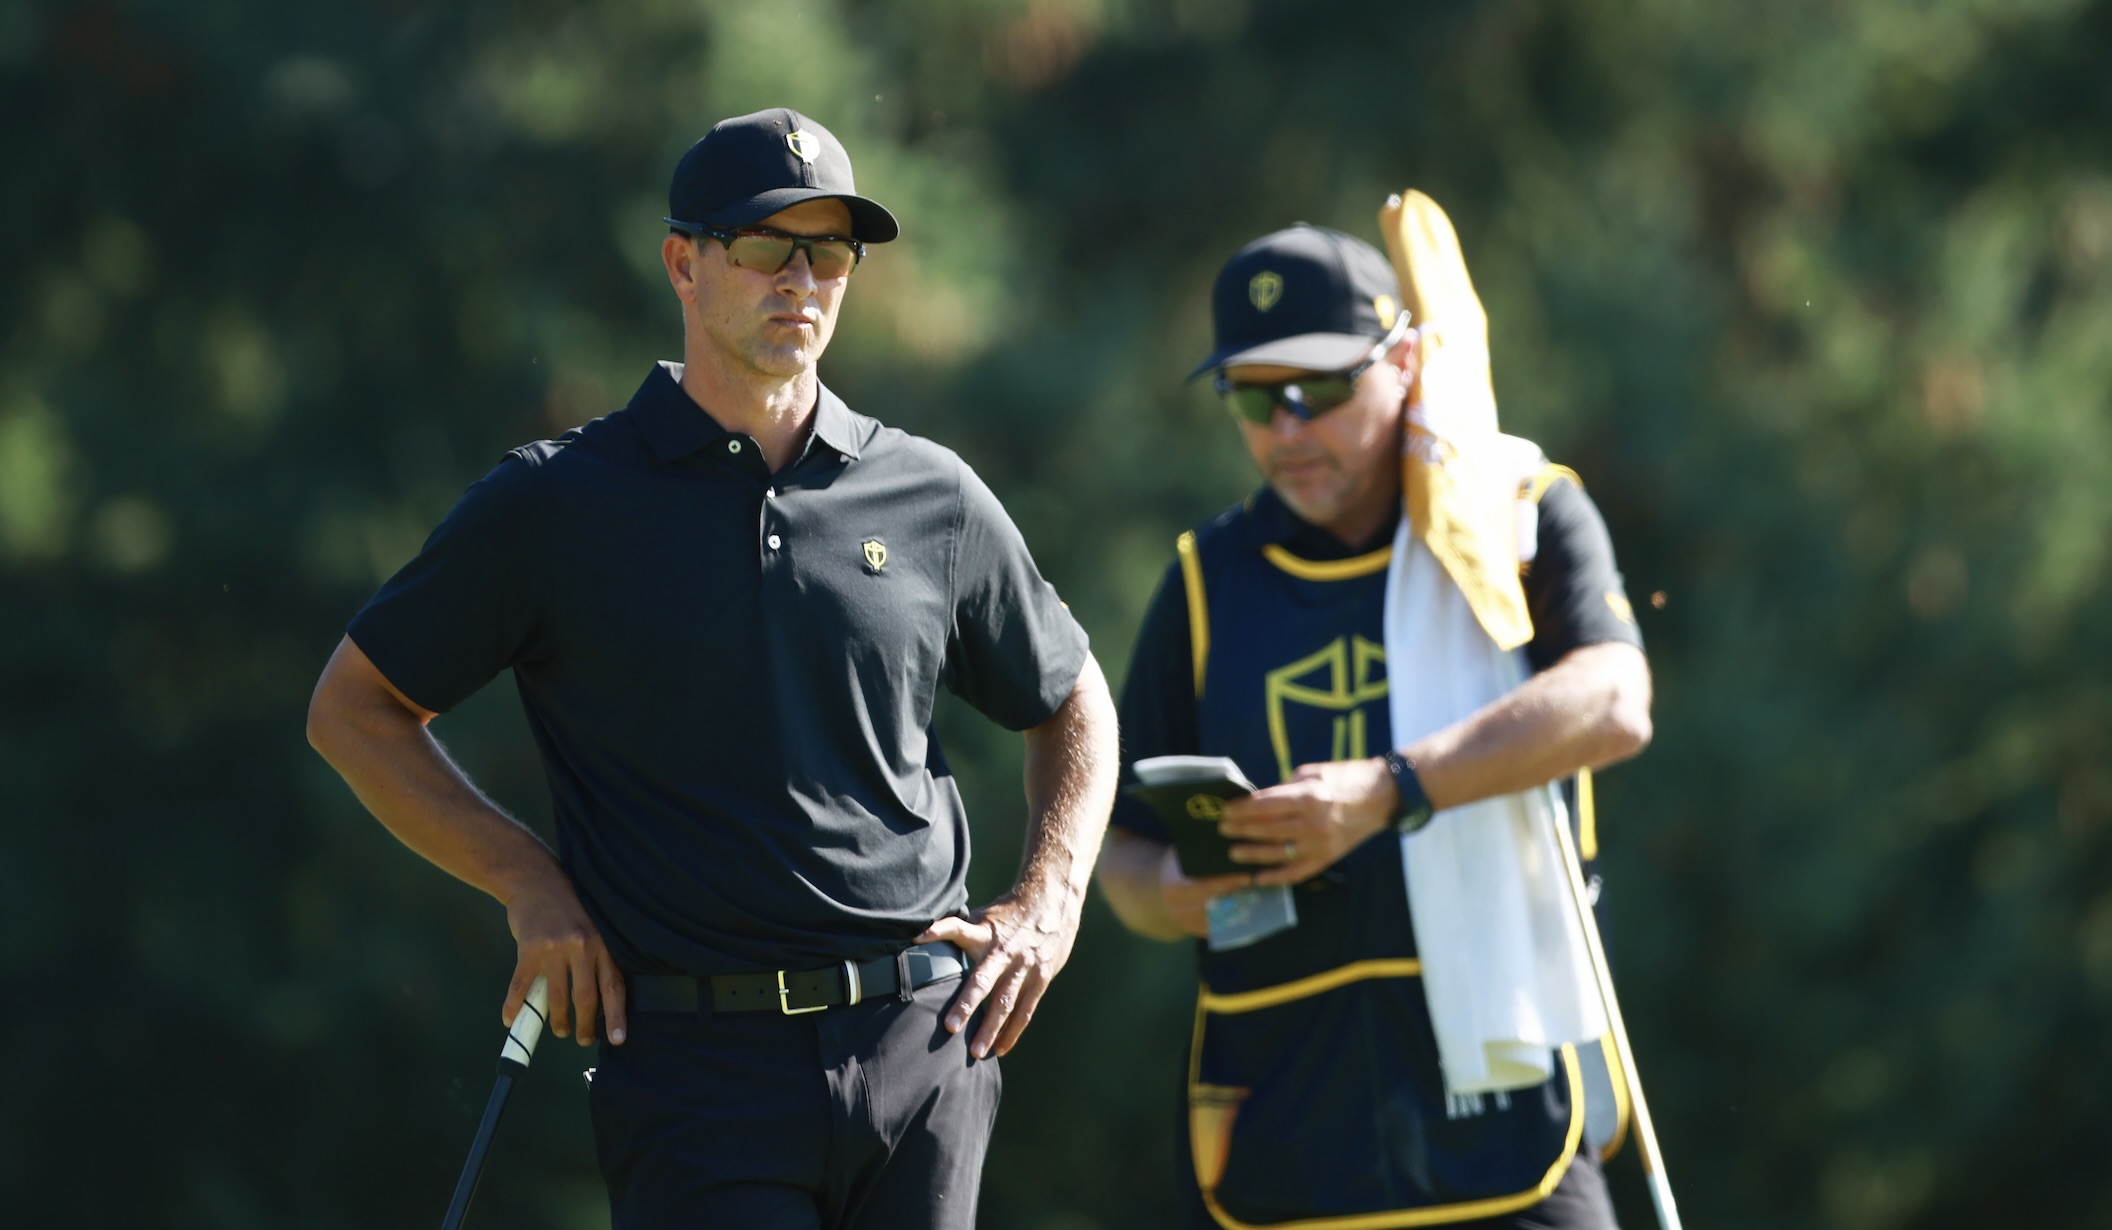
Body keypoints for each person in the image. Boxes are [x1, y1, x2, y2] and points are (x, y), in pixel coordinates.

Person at [306, 108, 1118, 1230]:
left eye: (829, 251)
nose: (803, 278)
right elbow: (356, 710)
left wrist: (1049, 904)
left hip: (924, 1043)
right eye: (765, 244)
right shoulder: (557, 503)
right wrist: (529, 885)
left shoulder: (930, 495)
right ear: (683, 263)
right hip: (697, 1072)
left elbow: (1074, 697)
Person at [1096, 221, 1653, 1229]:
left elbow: (1615, 701)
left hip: (1511, 1108)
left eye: (1319, 391)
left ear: (1404, 361)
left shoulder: (1519, 517)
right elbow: (1124, 863)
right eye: (1255, 398)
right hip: (1281, 1134)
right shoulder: (1203, 580)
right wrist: (1184, 890)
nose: (1288, 428)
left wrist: (1387, 792)